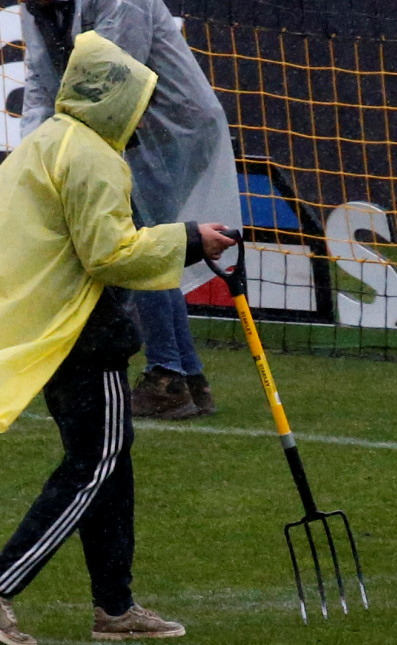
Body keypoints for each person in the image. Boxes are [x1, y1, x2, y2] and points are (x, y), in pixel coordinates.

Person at [0, 32, 236, 645]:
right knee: (95, 465)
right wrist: (189, 239)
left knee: (107, 466)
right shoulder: (93, 157)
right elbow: (109, 253)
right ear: (115, 100)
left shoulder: (51, 140)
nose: (146, 113)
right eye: (140, 100)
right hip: (83, 332)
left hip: (56, 328)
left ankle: (115, 610)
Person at [21, 0, 243, 420]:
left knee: (137, 241)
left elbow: (114, 74)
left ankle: (168, 377)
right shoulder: (36, 9)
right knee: (146, 236)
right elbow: (39, 81)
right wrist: (30, 152)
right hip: (130, 127)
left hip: (171, 127)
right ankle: (186, 378)